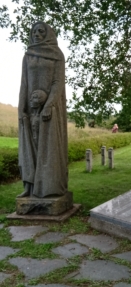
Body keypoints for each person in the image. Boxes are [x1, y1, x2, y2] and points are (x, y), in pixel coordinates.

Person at [17, 21, 68, 198]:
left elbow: (58, 83)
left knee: (49, 150)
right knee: (29, 148)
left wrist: (49, 104)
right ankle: (30, 187)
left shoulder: (57, 55)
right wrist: (21, 110)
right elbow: (24, 84)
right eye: (34, 31)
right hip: (30, 110)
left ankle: (49, 188)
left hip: (50, 110)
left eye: (41, 31)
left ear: (48, 34)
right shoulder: (28, 56)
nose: (37, 34)